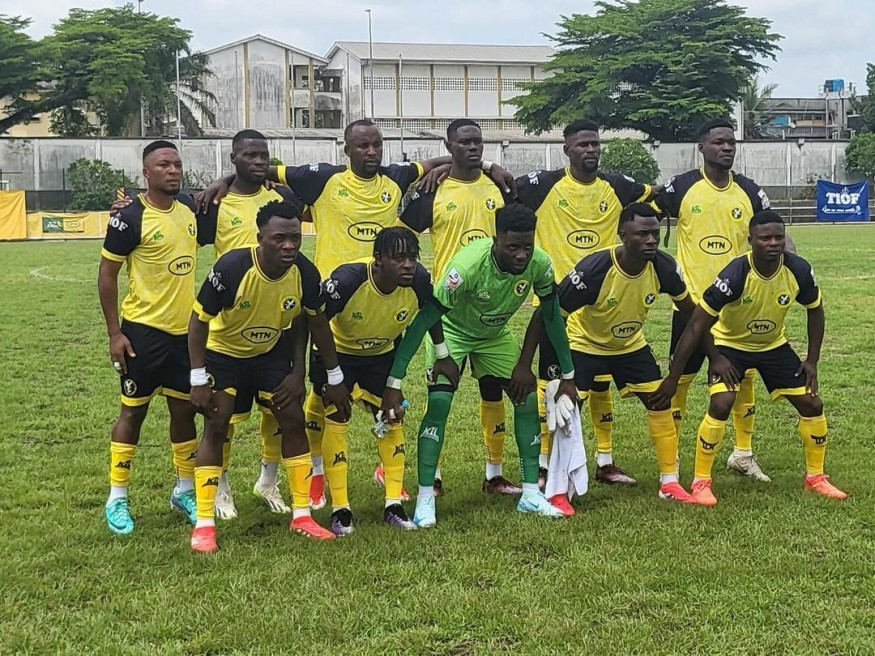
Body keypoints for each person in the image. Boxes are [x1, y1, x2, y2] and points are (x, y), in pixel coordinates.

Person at [198, 119, 515, 510]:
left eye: (377, 144)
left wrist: (488, 167)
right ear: (346, 149)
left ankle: (382, 470)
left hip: (382, 301)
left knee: (379, 394)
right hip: (327, 307)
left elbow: (446, 157)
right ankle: (314, 474)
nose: (371, 152)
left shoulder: (396, 177)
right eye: (363, 146)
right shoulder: (322, 179)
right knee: (317, 394)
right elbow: (262, 168)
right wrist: (225, 180)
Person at [113, 129, 300, 520]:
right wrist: (128, 207)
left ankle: (268, 481)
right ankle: (220, 488)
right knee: (220, 413)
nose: (259, 161)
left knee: (277, 409)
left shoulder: (280, 197)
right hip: (224, 325)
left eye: (263, 155)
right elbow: (166, 212)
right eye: (249, 155)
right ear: (233, 159)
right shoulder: (214, 202)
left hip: (273, 317)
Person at [382, 203, 579, 528]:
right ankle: (425, 499)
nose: (521, 255)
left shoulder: (541, 264)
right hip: (453, 332)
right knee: (440, 402)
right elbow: (425, 319)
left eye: (527, 246)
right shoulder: (467, 267)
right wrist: (397, 380)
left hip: (494, 335)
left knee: (527, 397)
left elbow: (551, 317)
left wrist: (564, 374)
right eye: (512, 247)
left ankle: (531, 494)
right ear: (496, 239)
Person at [522, 203, 715, 512]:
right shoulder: (594, 270)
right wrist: (558, 374)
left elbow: (693, 318)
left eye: (655, 233)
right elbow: (551, 317)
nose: (651, 240)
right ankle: (557, 489)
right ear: (623, 234)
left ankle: (669, 482)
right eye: (642, 233)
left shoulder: (664, 268)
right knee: (568, 410)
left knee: (660, 402)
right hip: (585, 344)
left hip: (629, 346)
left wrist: (705, 362)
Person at [187, 199, 351, 552]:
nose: (289, 245)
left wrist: (315, 372)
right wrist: (198, 377)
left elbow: (314, 323)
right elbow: (198, 322)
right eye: (280, 238)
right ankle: (204, 524)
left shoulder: (305, 272)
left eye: (295, 238)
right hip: (224, 353)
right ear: (261, 237)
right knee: (217, 423)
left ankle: (302, 515)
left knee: (292, 417)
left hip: (270, 352)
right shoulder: (232, 268)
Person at [651, 210, 847, 505]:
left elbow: (815, 310)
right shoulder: (735, 274)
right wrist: (706, 362)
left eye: (779, 237)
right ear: (750, 240)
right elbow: (696, 325)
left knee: (812, 403)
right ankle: (701, 482)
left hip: (772, 346)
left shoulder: (798, 270)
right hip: (731, 345)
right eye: (765, 238)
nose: (773, 243)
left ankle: (815, 478)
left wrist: (812, 360)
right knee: (722, 401)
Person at [515, 119, 656, 487]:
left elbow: (658, 194)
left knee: (601, 384)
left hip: (602, 301)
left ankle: (605, 461)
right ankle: (545, 465)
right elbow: (499, 188)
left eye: (595, 143)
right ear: (567, 149)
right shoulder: (543, 185)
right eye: (582, 144)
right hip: (558, 305)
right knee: (554, 387)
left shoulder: (617, 186)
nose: (590, 150)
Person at [655, 118, 787, 482]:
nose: (726, 147)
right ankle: (672, 459)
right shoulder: (681, 187)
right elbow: (643, 217)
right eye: (718, 142)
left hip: (736, 307)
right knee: (680, 378)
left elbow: (775, 232)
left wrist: (792, 263)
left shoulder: (750, 191)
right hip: (692, 305)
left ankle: (742, 453)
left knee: (742, 380)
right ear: (702, 146)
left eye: (731, 142)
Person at [400, 118, 518, 496]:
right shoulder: (432, 189)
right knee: (440, 395)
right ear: (449, 146)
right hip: (448, 312)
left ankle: (494, 474)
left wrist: (491, 168)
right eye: (464, 142)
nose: (473, 147)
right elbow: (404, 236)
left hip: (491, 310)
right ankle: (431, 476)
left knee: (494, 391)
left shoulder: (499, 187)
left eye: (478, 142)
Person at [310, 227, 448, 535]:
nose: (408, 264)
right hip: (338, 353)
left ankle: (393, 504)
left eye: (412, 257)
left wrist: (441, 353)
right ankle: (341, 509)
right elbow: (316, 322)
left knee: (392, 418)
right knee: (336, 416)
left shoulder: (419, 281)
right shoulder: (348, 280)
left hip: (381, 355)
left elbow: (431, 313)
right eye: (398, 258)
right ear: (378, 259)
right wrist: (333, 376)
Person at [98, 140, 199, 534]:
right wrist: (115, 333)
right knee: (133, 412)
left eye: (177, 164)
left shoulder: (189, 208)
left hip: (184, 334)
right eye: (163, 165)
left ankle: (184, 490)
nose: (172, 170)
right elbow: (107, 276)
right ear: (146, 173)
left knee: (184, 411)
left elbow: (227, 194)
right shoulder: (129, 217)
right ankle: (117, 497)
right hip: (142, 332)